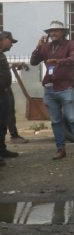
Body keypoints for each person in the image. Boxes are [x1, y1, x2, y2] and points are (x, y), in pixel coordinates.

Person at [30, 20, 74, 160]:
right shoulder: (46, 47)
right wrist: (38, 47)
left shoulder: (71, 44)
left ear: (63, 32)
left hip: (65, 87)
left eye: (56, 30)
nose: (53, 33)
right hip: (49, 88)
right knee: (56, 121)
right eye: (51, 31)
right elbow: (33, 62)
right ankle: (60, 149)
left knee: (73, 119)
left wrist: (58, 62)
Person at [0, 31, 22, 167]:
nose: (12, 45)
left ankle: (2, 150)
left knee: (3, 123)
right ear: (4, 39)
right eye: (11, 42)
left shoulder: (1, 54)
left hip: (4, 93)